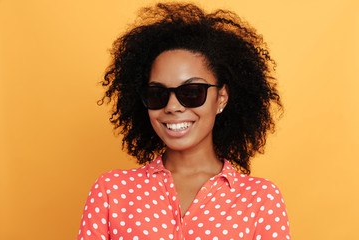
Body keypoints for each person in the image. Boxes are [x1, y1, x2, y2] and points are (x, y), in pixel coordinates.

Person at [77, 3, 290, 240]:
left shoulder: (260, 199)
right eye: (158, 94)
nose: (172, 107)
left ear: (221, 98)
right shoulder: (111, 192)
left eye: (191, 92)